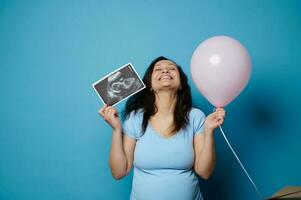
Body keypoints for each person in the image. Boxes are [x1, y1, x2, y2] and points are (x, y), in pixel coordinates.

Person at [98, 56, 226, 200]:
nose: (165, 70)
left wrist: (209, 131)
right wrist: (116, 130)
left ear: (181, 84)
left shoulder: (196, 116)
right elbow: (119, 172)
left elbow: (205, 172)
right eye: (158, 69)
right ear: (150, 85)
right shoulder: (135, 118)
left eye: (172, 69)